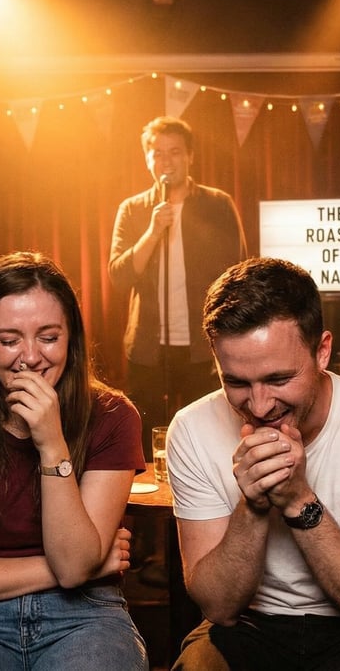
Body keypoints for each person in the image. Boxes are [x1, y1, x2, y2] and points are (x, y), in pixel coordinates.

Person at [170, 257, 340, 670]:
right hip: (249, 625)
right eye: (235, 381)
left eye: (277, 379)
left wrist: (297, 500)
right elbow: (219, 607)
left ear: (322, 351)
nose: (258, 405)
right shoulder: (191, 428)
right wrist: (253, 504)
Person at [0, 251, 147, 670]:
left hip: (84, 613)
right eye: (9, 339)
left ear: (71, 337)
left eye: (49, 337)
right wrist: (92, 564)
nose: (31, 357)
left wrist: (52, 443)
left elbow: (74, 568)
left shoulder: (112, 414)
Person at [109, 116, 247, 458]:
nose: (165, 161)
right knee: (147, 436)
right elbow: (119, 276)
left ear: (190, 157)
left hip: (205, 346)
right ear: (147, 159)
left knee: (212, 434)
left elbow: (238, 272)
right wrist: (153, 231)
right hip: (149, 348)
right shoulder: (134, 209)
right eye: (156, 153)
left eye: (174, 152)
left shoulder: (217, 204)